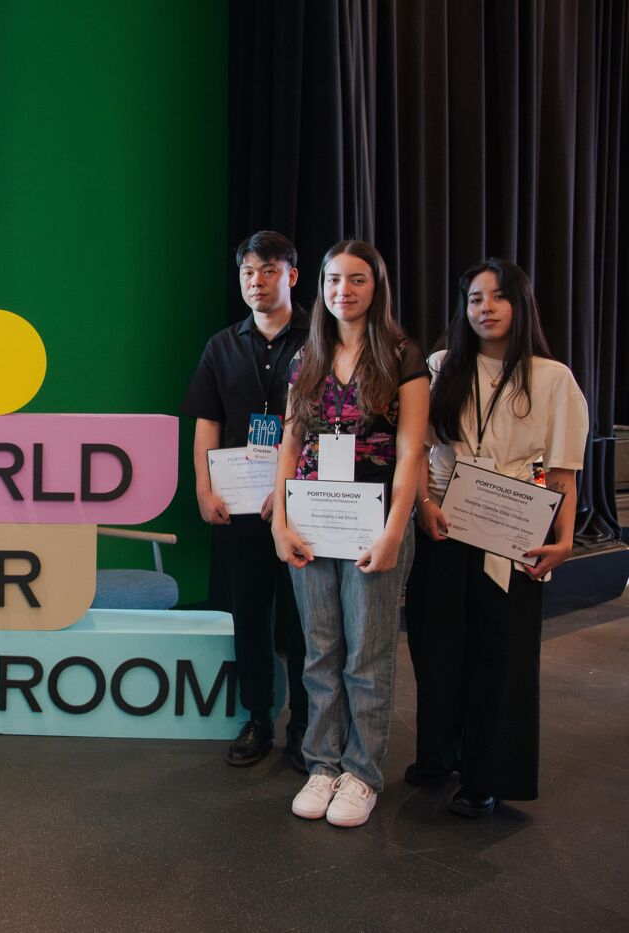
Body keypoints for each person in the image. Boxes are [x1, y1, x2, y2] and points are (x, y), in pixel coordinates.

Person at [405, 259, 587, 817]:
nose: (485, 308)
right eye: (474, 299)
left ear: (520, 304)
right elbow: (415, 452)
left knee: (499, 657)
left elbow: (562, 475)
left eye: (498, 297)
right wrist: (423, 507)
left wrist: (565, 539)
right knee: (436, 650)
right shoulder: (439, 367)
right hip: (445, 524)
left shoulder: (552, 378)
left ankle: (484, 776)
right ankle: (438, 753)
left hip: (513, 530)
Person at [270, 240, 429, 827]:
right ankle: (322, 763)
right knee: (320, 652)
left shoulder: (402, 354)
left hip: (373, 525)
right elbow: (290, 445)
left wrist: (393, 532)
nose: (344, 290)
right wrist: (280, 525)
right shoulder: (306, 355)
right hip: (311, 523)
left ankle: (362, 773)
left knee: (367, 654)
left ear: (376, 286)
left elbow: (413, 451)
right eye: (334, 279)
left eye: (357, 280)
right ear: (321, 286)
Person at [181, 230, 310, 770]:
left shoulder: (320, 340)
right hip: (237, 507)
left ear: (292, 276)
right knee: (249, 616)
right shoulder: (222, 344)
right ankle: (258, 717)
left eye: (268, 271)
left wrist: (285, 495)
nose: (257, 282)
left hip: (302, 506)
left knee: (306, 622)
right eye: (248, 273)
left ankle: (307, 726)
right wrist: (203, 487)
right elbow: (207, 419)